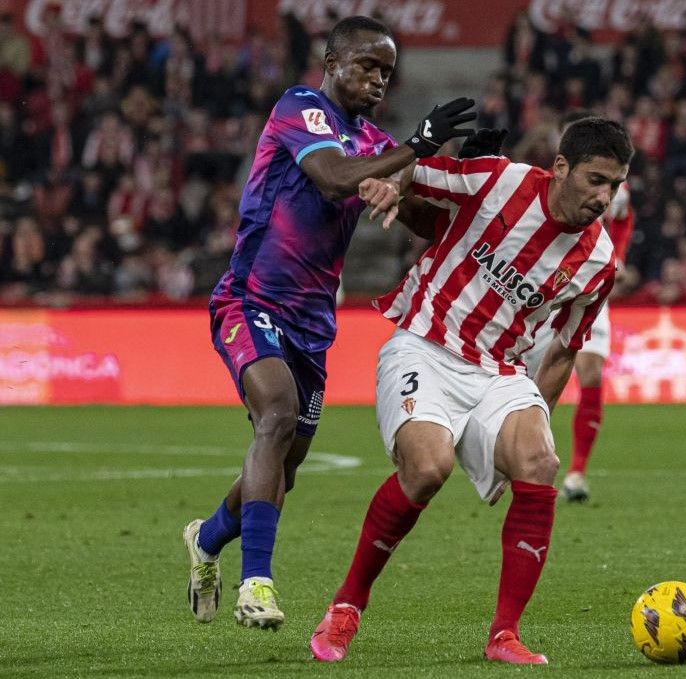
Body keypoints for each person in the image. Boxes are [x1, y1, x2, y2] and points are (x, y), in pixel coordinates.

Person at [181, 15, 476, 631]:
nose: (377, 80)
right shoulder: (301, 108)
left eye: (387, 72)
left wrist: (466, 172)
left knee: (284, 465)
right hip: (252, 296)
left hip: (314, 323)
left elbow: (416, 209)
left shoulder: (371, 142)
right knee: (277, 416)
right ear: (332, 60)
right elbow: (332, 176)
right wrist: (412, 150)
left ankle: (207, 539)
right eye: (367, 65)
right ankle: (255, 585)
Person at [309, 117, 634, 664]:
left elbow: (563, 350)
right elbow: (418, 175)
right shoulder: (499, 180)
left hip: (499, 371)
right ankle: (346, 606)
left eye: (615, 185)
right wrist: (392, 183)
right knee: (427, 468)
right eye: (595, 180)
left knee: (540, 460)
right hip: (425, 344)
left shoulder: (599, 262)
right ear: (560, 168)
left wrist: (529, 423)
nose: (604, 197)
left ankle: (504, 635)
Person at [522, 111, 635, 503]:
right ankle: (518, 447)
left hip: (589, 283)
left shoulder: (609, 188)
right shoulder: (541, 183)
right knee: (534, 377)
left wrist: (617, 258)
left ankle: (577, 472)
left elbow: (624, 219)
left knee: (590, 371)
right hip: (544, 292)